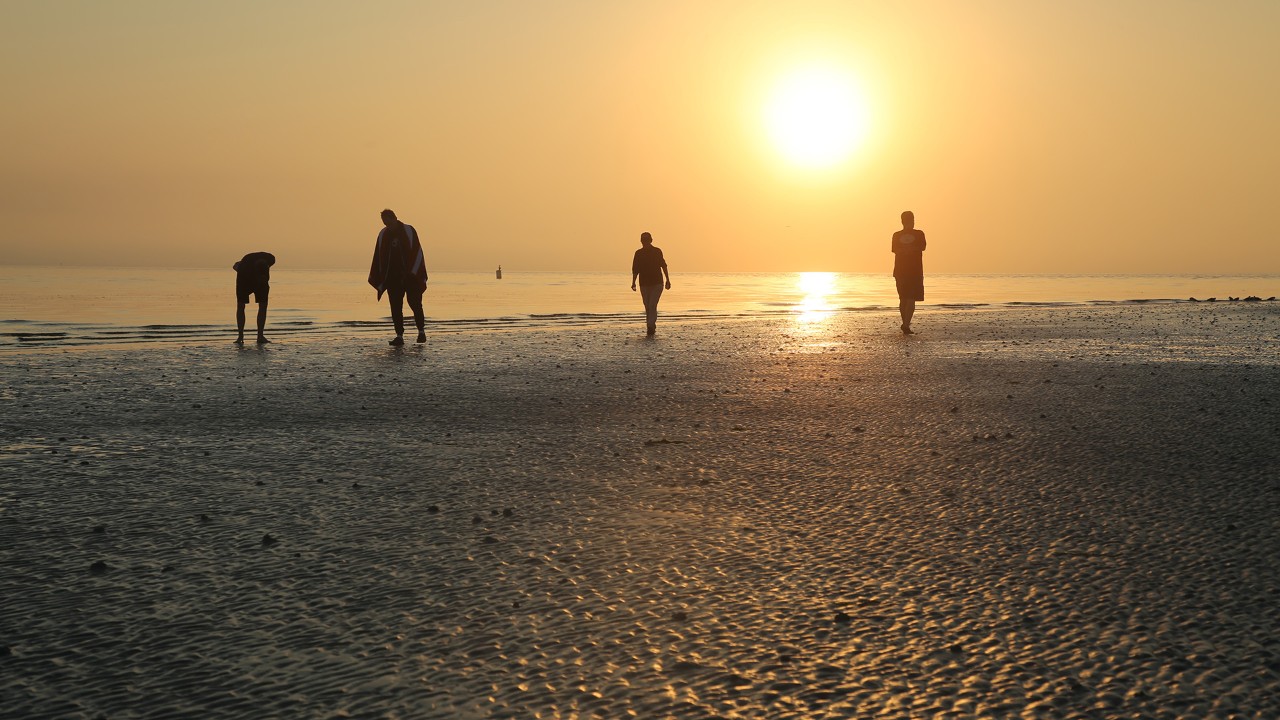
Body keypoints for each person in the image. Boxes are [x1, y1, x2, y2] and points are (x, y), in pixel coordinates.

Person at [368, 208, 428, 346]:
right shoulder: (383, 234)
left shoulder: (408, 231)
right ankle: (399, 336)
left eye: (387, 222)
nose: (386, 225)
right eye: (384, 222)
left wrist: (413, 272)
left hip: (410, 276)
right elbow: (379, 256)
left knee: (415, 304)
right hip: (392, 278)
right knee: (395, 307)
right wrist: (381, 278)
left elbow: (417, 252)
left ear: (394, 218)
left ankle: (421, 332)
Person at [891, 211, 926, 334]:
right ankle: (905, 324)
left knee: (909, 298)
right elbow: (895, 249)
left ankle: (906, 324)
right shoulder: (896, 235)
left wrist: (908, 249)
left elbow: (922, 246)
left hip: (914, 271)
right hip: (902, 271)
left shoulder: (919, 234)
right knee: (904, 298)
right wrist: (907, 250)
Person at [631, 231, 671, 336]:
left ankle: (650, 325)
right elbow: (635, 269)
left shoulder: (657, 251)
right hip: (644, 283)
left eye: (647, 240)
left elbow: (664, 265)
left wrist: (668, 279)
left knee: (652, 304)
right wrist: (633, 282)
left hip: (657, 283)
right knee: (647, 305)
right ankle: (651, 325)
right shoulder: (638, 253)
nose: (645, 242)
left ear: (651, 240)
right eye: (643, 240)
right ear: (641, 241)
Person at [233, 251, 275, 344]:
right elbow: (235, 266)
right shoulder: (245, 266)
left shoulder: (269, 259)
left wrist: (262, 278)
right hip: (243, 279)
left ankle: (258, 336)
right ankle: (241, 336)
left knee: (262, 306)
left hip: (258, 280)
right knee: (241, 306)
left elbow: (235, 266)